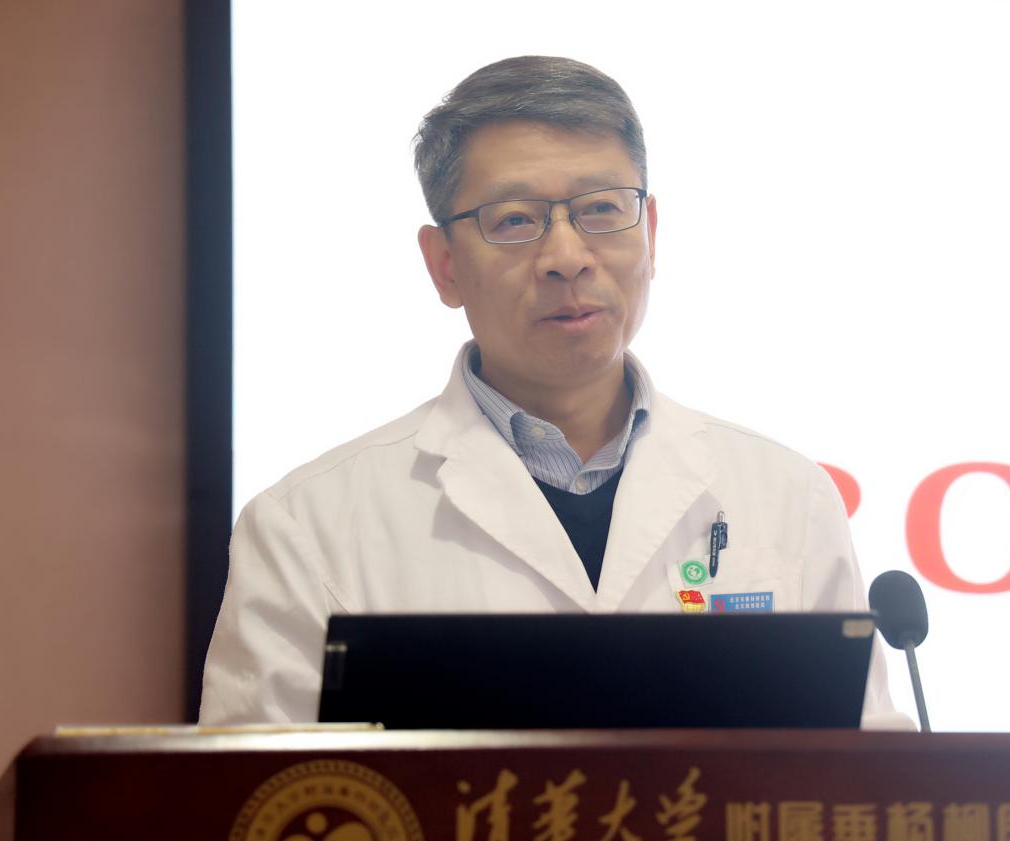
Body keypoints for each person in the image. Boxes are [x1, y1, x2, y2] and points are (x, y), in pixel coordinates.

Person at [200, 55, 906, 728]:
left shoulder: (789, 497)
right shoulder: (305, 528)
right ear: (444, 265)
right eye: (514, 219)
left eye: (601, 209)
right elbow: (254, 795)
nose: (567, 258)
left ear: (651, 235)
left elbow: (865, 777)